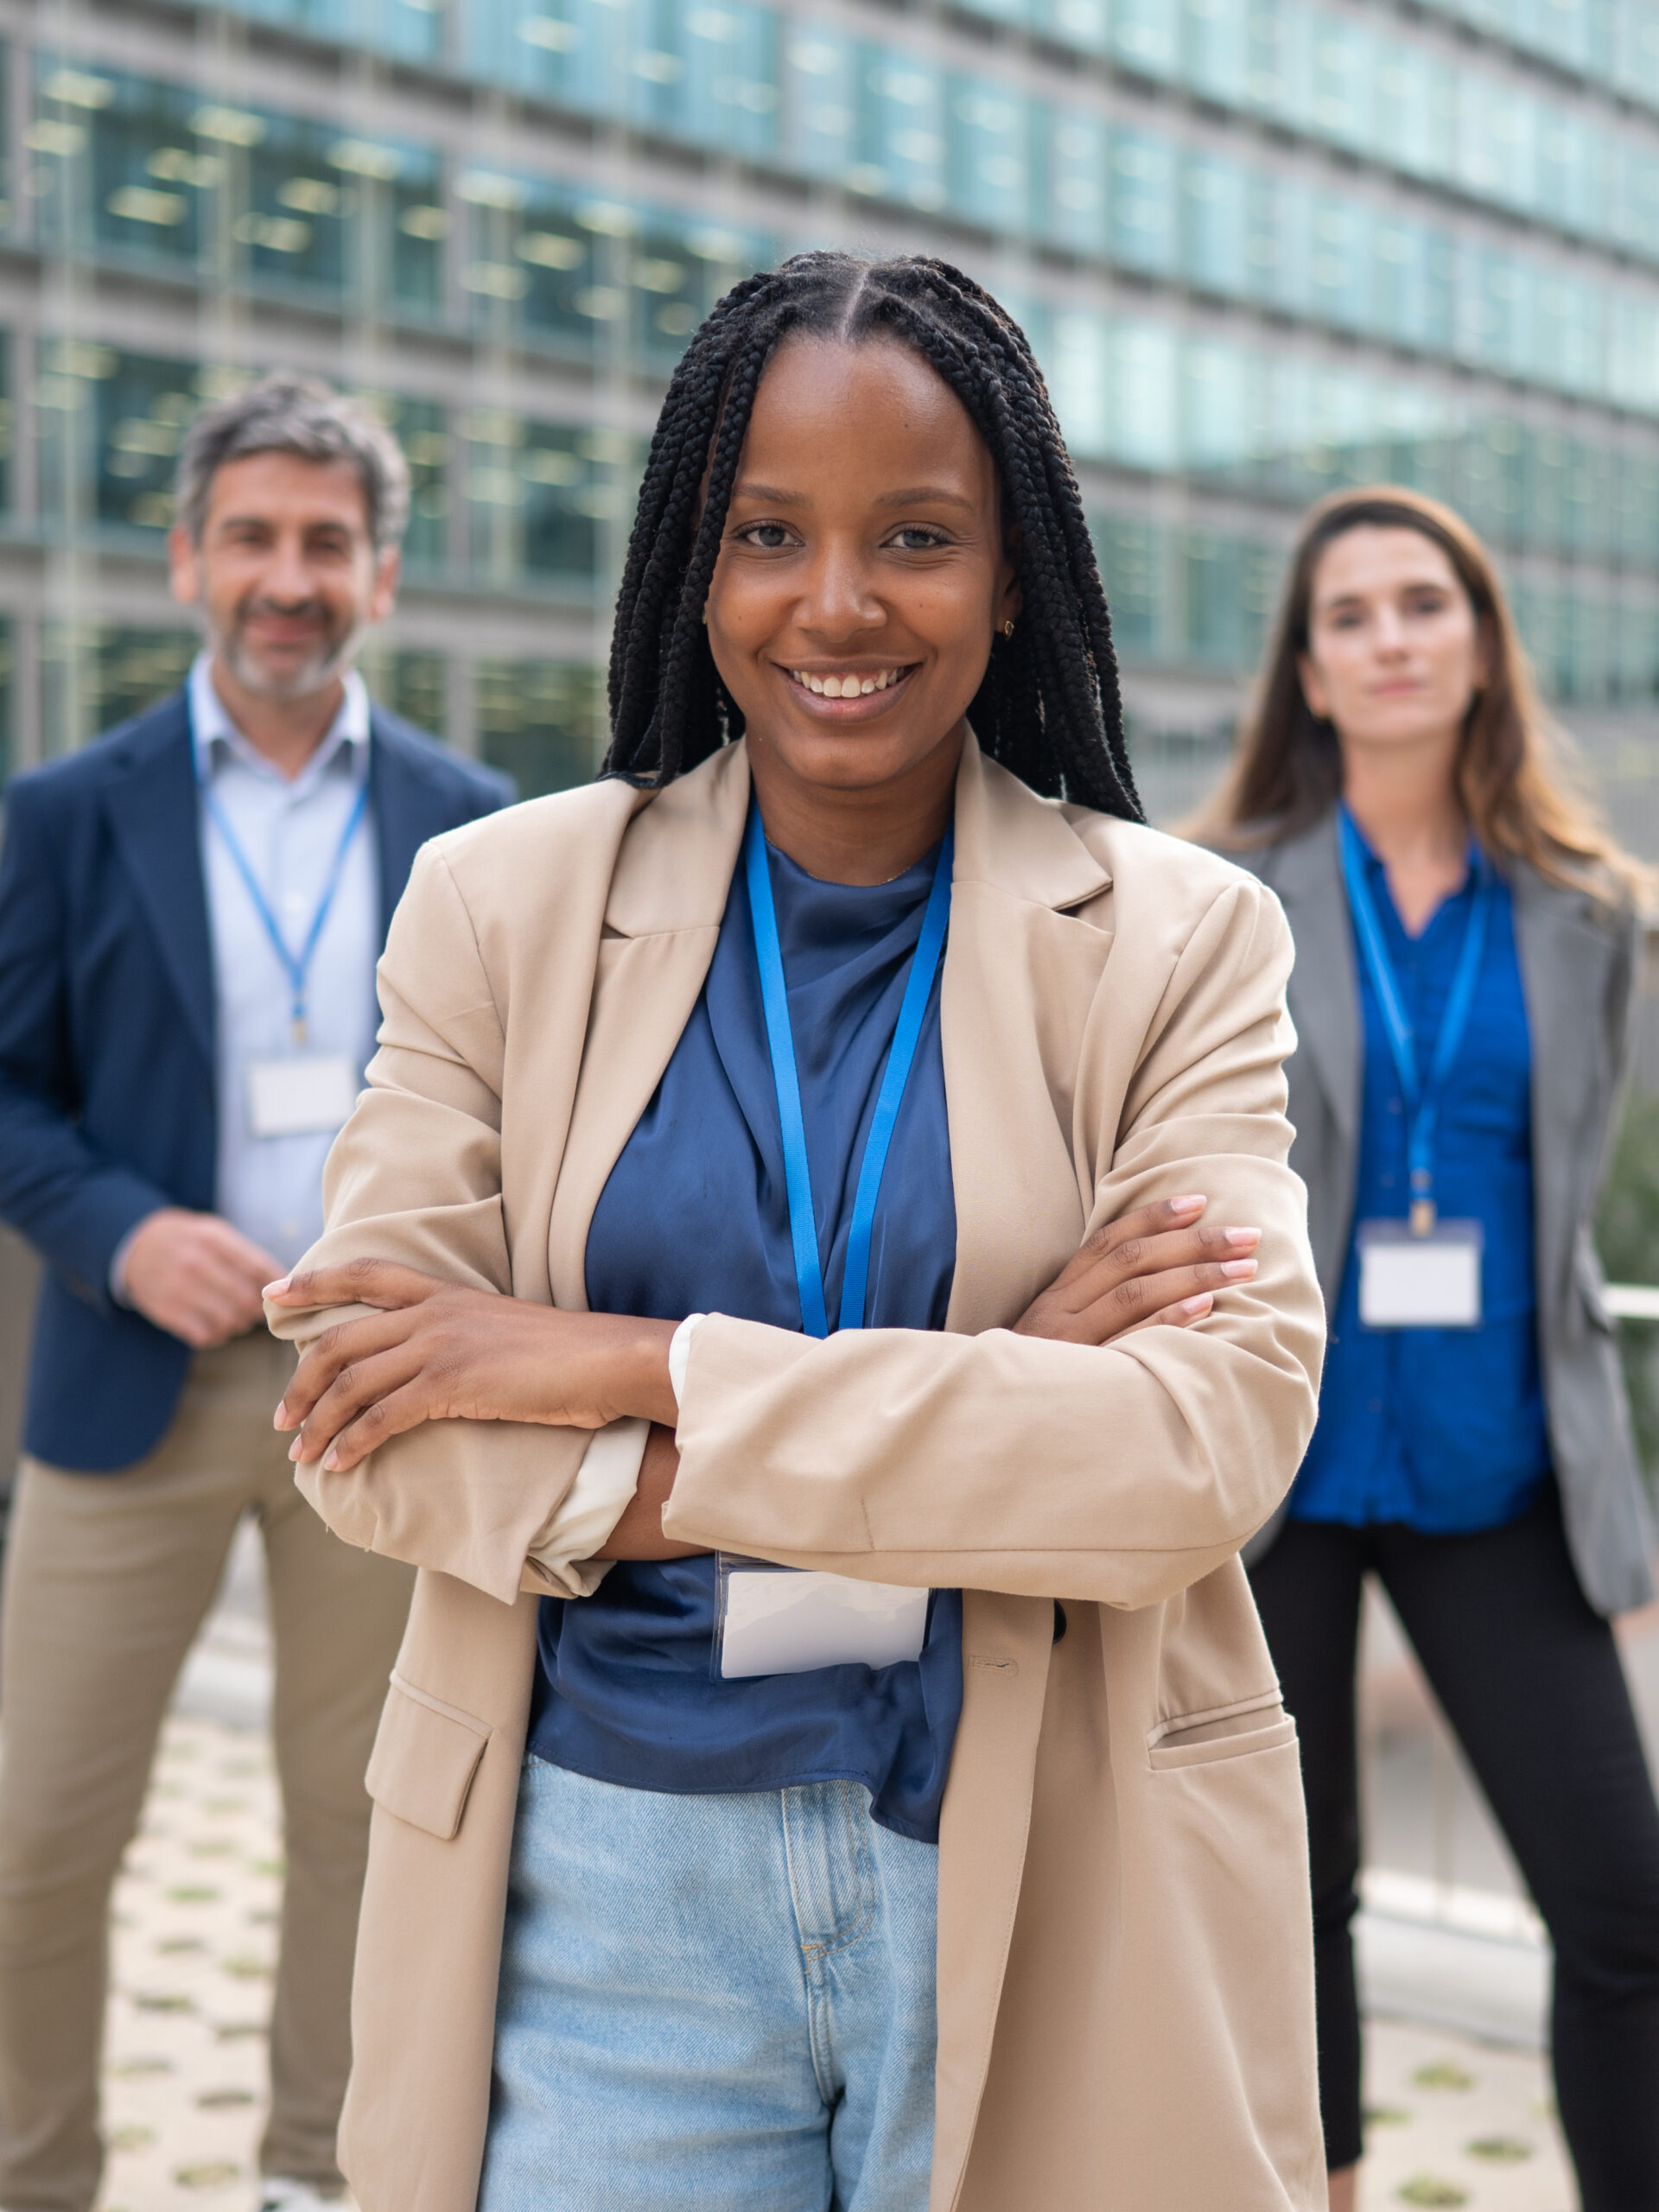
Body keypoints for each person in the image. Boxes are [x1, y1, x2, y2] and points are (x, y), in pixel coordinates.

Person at [264, 252, 1328, 2212]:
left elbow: (1196, 1450)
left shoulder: (1181, 940)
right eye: (770, 534)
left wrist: (621, 1364)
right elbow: (368, 1416)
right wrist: (1002, 1387)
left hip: (1047, 1848)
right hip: (605, 1894)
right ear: (699, 557)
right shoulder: (496, 907)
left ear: (1012, 574)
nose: (837, 605)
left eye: (915, 537)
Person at [0, 372, 512, 2212]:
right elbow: (6, 1085)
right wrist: (120, 1226)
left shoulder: (476, 828)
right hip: (128, 1378)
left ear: (381, 574)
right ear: (184, 561)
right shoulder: (65, 812)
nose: (284, 578)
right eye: (252, 538)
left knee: (364, 1828)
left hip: (376, 1385)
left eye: (325, 543)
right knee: (36, 1834)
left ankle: (321, 2172)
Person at [1193, 485, 1659, 2212]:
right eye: (1351, 614)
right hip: (1280, 1470)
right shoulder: (1219, 893)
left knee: (1622, 1905)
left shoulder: (1592, 912)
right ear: (1309, 671)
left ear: (1478, 644)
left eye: (1423, 603)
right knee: (1286, 1894)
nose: (1390, 636)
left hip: (1499, 1463)